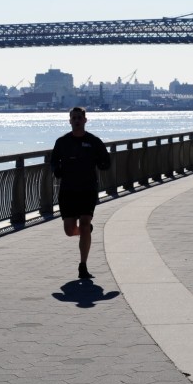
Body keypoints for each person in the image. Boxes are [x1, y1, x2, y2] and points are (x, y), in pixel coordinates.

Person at [50, 106, 111, 280]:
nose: (77, 121)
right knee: (70, 230)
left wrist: (104, 164)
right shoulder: (62, 142)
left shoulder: (93, 141)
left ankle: (83, 265)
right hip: (68, 190)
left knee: (84, 224)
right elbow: (53, 161)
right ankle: (85, 231)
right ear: (70, 121)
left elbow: (105, 160)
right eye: (74, 118)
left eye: (79, 118)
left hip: (87, 189)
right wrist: (57, 170)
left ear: (85, 120)